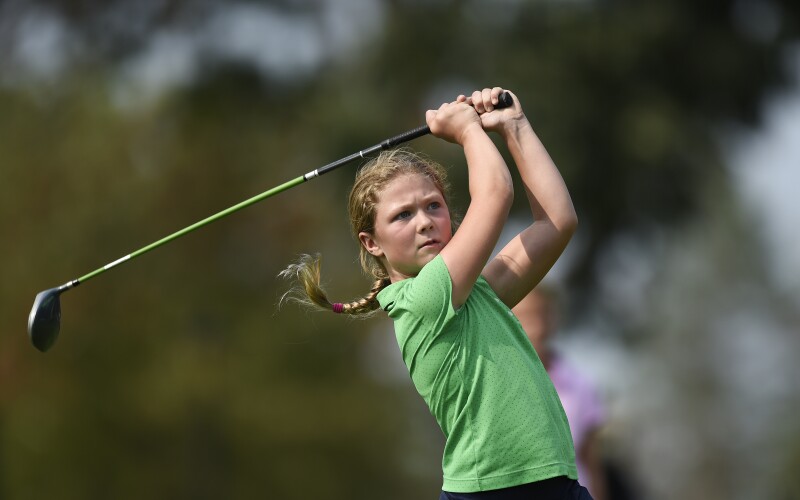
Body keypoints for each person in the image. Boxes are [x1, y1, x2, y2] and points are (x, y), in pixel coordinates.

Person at [281, 87, 588, 499]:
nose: (424, 221)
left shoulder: (477, 292)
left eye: (433, 206)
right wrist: (466, 132)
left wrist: (515, 128)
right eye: (403, 215)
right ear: (372, 243)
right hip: (495, 491)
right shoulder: (421, 301)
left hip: (554, 483)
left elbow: (557, 222)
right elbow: (496, 193)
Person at [512, 286, 607, 500]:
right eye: (526, 316)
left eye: (541, 315)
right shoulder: (494, 384)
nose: (536, 327)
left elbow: (591, 463)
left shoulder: (580, 385)